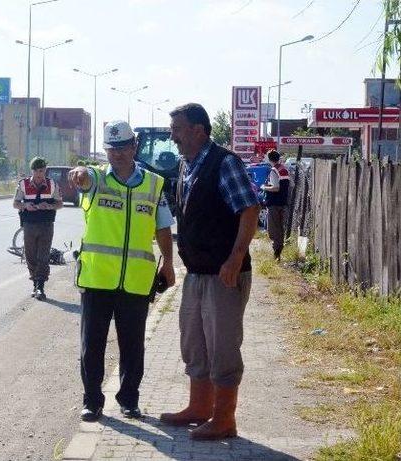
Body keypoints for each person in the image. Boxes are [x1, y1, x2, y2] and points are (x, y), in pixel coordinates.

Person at [159, 104, 260, 440]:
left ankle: (224, 420)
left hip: (223, 274)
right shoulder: (187, 164)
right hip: (197, 273)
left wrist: (235, 258)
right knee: (195, 344)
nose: (172, 136)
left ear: (198, 130)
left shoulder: (224, 162)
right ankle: (199, 408)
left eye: (177, 128)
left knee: (223, 348)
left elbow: (249, 209)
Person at [68, 120, 175, 422]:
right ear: (105, 151)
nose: (117, 154)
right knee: (92, 346)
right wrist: (80, 172)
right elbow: (82, 176)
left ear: (134, 147)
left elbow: (163, 226)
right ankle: (92, 401)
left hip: (136, 282)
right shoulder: (98, 180)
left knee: (133, 347)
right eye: (111, 148)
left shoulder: (154, 184)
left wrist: (168, 261)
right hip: (97, 278)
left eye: (123, 147)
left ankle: (129, 400)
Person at [13, 156, 63, 300]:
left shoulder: (52, 184)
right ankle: (34, 282)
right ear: (33, 171)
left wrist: (50, 206)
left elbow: (60, 204)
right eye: (40, 171)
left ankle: (40, 286)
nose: (42, 174)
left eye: (44, 170)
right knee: (30, 255)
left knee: (43, 255)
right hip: (29, 224)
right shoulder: (23, 184)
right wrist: (25, 206)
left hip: (46, 224)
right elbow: (15, 204)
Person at [260, 149, 290, 260]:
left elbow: (276, 187)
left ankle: (276, 252)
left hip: (273, 204)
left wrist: (264, 187)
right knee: (280, 228)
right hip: (283, 203)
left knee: (273, 229)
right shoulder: (284, 169)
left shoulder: (274, 170)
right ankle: (279, 250)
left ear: (269, 159)